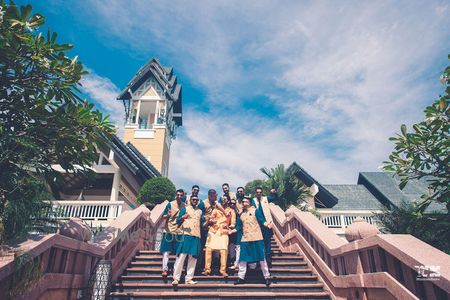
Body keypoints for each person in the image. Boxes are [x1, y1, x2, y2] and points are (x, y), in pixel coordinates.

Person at [234, 196, 271, 286]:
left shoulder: (256, 211)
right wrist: (231, 231)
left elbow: (262, 220)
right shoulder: (241, 215)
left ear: (249, 203)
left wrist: (267, 224)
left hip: (257, 237)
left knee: (262, 258)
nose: (243, 203)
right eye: (242, 202)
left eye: (245, 202)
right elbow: (238, 227)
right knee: (242, 259)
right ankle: (240, 277)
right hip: (245, 239)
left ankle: (267, 277)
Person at [172, 195, 204, 286]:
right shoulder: (185, 209)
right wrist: (183, 217)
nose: (194, 201)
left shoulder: (200, 212)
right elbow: (177, 221)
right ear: (190, 200)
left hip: (197, 236)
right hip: (186, 235)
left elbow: (202, 224)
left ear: (198, 201)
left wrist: (208, 221)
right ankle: (176, 278)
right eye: (193, 199)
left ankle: (189, 279)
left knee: (193, 258)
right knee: (181, 256)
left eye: (196, 200)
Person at [203, 194, 235, 277]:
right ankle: (207, 269)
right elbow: (211, 218)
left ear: (228, 201)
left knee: (223, 251)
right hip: (213, 231)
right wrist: (211, 220)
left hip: (223, 232)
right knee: (208, 249)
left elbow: (233, 224)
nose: (224, 200)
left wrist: (227, 226)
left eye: (225, 199)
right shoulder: (216, 209)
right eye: (222, 199)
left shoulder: (231, 211)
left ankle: (223, 270)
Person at [160, 189, 185, 277]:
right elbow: (163, 216)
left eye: (181, 195)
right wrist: (168, 215)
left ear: (183, 196)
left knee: (178, 253)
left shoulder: (184, 206)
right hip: (169, 230)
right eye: (178, 195)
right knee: (166, 252)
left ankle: (176, 270)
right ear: (175, 195)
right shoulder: (170, 204)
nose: (179, 196)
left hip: (179, 231)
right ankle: (164, 269)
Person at [253, 187, 277, 266]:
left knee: (267, 242)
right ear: (255, 193)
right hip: (257, 225)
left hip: (267, 224)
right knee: (258, 242)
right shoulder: (253, 201)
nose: (259, 193)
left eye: (260, 192)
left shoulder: (266, 199)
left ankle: (268, 258)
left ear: (262, 193)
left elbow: (274, 198)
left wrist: (274, 193)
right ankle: (259, 259)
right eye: (257, 192)